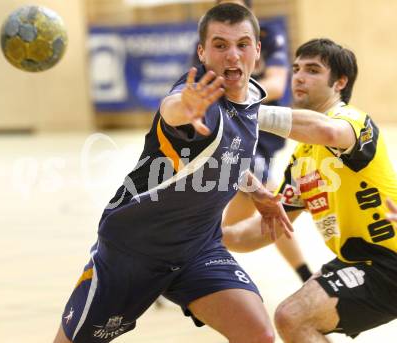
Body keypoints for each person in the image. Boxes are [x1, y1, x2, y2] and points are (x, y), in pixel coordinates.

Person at [53, 4, 294, 343]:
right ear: (202, 52)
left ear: (257, 48)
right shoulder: (198, 102)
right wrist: (185, 107)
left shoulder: (253, 97)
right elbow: (173, 109)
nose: (232, 55)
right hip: (133, 250)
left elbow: (226, 157)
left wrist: (256, 192)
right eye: (220, 45)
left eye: (242, 44)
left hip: (198, 249)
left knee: (259, 335)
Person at [223, 38, 397, 341]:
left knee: (293, 316)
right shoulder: (302, 158)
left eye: (313, 70)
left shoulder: (353, 120)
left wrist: (247, 113)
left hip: (389, 261)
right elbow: (264, 230)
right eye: (297, 68)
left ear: (339, 82)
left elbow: (328, 131)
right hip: (360, 264)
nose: (299, 77)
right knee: (296, 318)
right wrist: (199, 233)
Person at [212, 0, 313, 283]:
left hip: (264, 137)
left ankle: (177, 268)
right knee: (270, 199)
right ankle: (306, 276)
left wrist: (234, 93)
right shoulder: (209, 43)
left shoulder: (269, 37)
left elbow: (278, 85)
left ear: (251, 13)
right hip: (231, 139)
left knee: (225, 229)